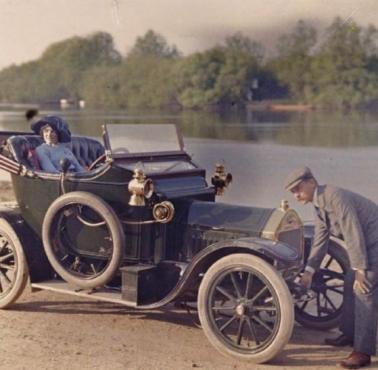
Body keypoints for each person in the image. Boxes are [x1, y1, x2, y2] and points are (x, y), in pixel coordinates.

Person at [285, 166, 378, 369]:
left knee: (364, 291)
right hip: (366, 243)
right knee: (348, 283)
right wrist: (309, 271)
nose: (296, 195)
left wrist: (361, 269)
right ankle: (349, 334)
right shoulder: (319, 205)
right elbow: (320, 240)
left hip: (374, 242)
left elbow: (353, 232)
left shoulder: (335, 197)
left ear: (312, 182)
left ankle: (363, 352)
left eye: (298, 189)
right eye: (293, 192)